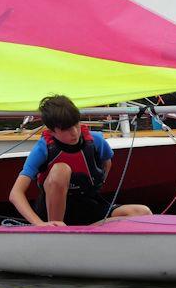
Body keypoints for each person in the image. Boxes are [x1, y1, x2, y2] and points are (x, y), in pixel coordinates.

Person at [9, 95, 152, 226]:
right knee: (61, 169)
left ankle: (87, 231)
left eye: (76, 124)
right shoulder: (43, 148)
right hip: (52, 214)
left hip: (88, 205)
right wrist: (39, 224)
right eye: (66, 129)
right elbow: (15, 194)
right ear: (52, 132)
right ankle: (56, 230)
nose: (75, 132)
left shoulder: (96, 141)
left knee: (143, 213)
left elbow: (106, 165)